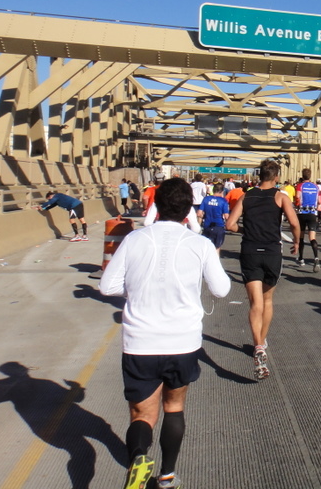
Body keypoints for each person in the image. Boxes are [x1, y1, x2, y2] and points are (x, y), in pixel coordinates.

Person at [99, 178, 231, 489]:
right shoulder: (200, 245)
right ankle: (167, 476)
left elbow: (108, 286)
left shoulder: (135, 240)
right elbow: (222, 289)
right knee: (174, 407)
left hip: (140, 341)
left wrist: (136, 290)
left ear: (156, 205)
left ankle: (139, 458)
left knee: (142, 414)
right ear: (189, 210)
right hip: (182, 341)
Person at [226, 159, 300, 380]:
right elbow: (295, 223)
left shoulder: (246, 196)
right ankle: (261, 344)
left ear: (259, 175)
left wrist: (246, 230)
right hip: (271, 252)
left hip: (250, 251)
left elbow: (230, 225)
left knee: (254, 303)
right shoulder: (280, 197)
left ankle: (258, 343)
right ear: (276, 176)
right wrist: (296, 242)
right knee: (267, 301)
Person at [294, 168, 321, 272]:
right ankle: (316, 258)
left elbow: (297, 197)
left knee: (301, 236)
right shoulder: (315, 186)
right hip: (312, 213)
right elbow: (319, 201)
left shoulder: (300, 186)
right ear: (310, 176)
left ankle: (301, 258)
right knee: (312, 238)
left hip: (302, 212)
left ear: (302, 175)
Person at [197, 183, 230, 256]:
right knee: (217, 248)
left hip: (207, 226)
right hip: (218, 226)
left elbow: (199, 213)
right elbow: (226, 216)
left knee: (206, 247)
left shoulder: (206, 199)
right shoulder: (223, 201)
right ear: (222, 191)